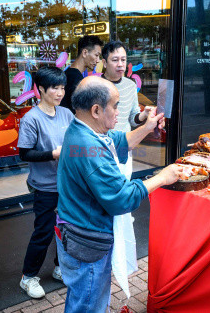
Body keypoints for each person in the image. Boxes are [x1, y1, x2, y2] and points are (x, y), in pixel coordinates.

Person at [55, 76, 182, 312]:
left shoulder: (83, 129)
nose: (118, 112)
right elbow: (122, 198)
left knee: (81, 297)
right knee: (89, 304)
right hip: (86, 240)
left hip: (74, 233)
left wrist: (146, 126)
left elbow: (120, 141)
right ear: (95, 110)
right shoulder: (88, 148)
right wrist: (162, 177)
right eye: (115, 105)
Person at [17, 67, 74, 299]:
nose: (60, 92)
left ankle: (60, 268)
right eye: (54, 88)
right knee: (43, 232)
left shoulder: (66, 114)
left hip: (67, 185)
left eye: (62, 87)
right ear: (40, 89)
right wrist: (53, 154)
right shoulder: (31, 119)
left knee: (66, 229)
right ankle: (28, 277)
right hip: (45, 187)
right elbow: (24, 154)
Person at [101, 40, 153, 178]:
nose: (120, 64)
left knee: (124, 184)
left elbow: (133, 118)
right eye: (115, 60)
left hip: (124, 145)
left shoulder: (130, 85)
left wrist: (144, 115)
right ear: (104, 63)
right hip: (101, 148)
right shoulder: (95, 85)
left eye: (123, 60)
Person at [61, 35, 103, 113]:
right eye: (96, 55)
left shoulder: (68, 74)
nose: (98, 60)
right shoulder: (76, 79)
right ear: (84, 53)